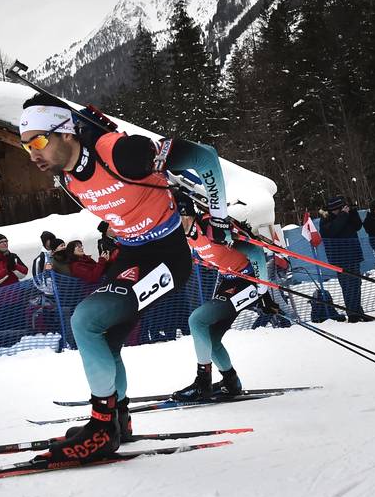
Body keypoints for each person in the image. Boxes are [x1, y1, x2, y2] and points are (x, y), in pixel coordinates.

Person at [18, 95, 231, 460]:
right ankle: (117, 420)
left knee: (85, 321)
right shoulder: (67, 179)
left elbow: (204, 157)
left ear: (66, 133)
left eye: (38, 141)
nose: (32, 153)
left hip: (166, 257)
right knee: (103, 338)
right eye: (25, 146)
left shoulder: (118, 153)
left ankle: (102, 428)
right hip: (132, 255)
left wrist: (220, 218)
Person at [171, 210, 276, 401]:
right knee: (210, 337)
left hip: (247, 281)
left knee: (197, 320)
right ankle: (231, 381)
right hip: (229, 281)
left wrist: (262, 292)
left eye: (176, 217)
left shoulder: (209, 228)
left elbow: (255, 252)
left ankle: (203, 383)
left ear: (187, 215)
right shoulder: (187, 236)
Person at [318, 195, 367, 322]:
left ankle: (358, 310)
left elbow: (357, 226)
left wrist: (353, 211)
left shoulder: (346, 214)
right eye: (336, 209)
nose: (338, 211)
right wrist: (343, 215)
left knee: (357, 283)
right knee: (347, 285)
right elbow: (333, 231)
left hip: (354, 254)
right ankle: (352, 314)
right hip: (340, 258)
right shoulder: (325, 219)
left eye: (340, 208)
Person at [0, 233, 32, 347]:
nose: (5, 243)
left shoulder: (13, 257)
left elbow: (24, 272)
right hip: (0, 303)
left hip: (17, 300)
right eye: (1, 242)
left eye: (6, 241)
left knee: (19, 326)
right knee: (4, 329)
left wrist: (14, 267)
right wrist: (6, 270)